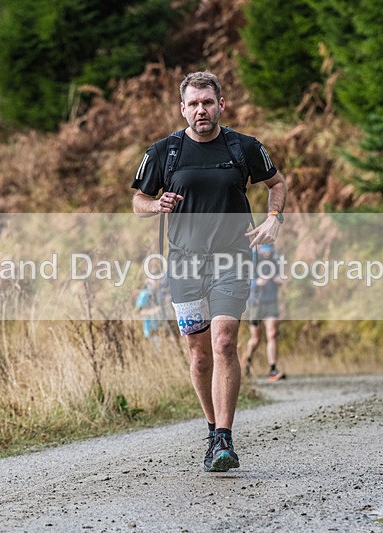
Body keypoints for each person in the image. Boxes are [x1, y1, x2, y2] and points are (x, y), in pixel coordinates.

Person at [131, 71, 287, 472]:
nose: (201, 109)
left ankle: (224, 439)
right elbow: (138, 201)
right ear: (183, 109)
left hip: (232, 259)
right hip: (183, 264)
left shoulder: (244, 147)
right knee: (199, 356)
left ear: (221, 105)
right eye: (194, 103)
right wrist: (155, 206)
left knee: (223, 342)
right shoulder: (164, 151)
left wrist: (273, 219)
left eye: (208, 102)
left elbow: (277, 183)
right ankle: (211, 426)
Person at [242, 244, 285, 381]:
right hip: (254, 302)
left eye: (269, 251)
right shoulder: (252, 258)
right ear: (259, 248)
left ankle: (273, 369)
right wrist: (256, 282)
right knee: (256, 339)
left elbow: (280, 275)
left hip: (271, 301)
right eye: (265, 251)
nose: (268, 254)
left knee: (272, 333)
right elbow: (243, 281)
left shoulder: (275, 258)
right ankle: (247, 360)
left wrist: (279, 280)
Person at [135, 276, 170, 342]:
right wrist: (153, 311)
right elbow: (137, 311)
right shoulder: (144, 294)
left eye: (158, 279)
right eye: (155, 279)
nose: (158, 281)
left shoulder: (160, 292)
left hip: (162, 328)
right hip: (151, 330)